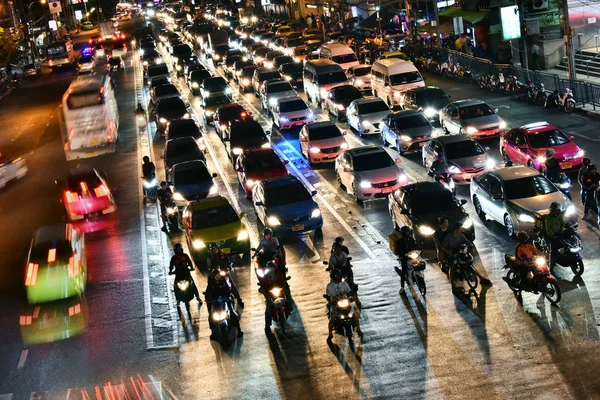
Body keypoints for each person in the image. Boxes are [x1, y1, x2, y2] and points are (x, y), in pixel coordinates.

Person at [442, 223, 492, 291]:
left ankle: (481, 278)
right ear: (456, 230)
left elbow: (467, 242)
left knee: (469, 264)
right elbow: (443, 247)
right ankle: (453, 285)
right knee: (453, 267)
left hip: (460, 252)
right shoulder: (448, 237)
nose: (461, 229)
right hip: (452, 255)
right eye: (460, 228)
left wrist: (471, 247)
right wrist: (448, 250)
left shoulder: (461, 235)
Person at [205, 269, 243, 340]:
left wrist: (228, 296)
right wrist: (207, 298)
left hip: (224, 300)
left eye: (218, 275)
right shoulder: (211, 283)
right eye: (216, 275)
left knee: (231, 312)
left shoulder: (223, 281)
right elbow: (208, 291)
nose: (217, 276)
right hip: (215, 301)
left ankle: (239, 329)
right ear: (213, 276)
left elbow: (228, 289)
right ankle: (213, 332)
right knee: (211, 315)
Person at [326, 269, 362, 342]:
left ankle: (358, 329)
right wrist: (330, 300)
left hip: (346, 302)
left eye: (338, 275)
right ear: (332, 276)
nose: (338, 277)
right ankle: (330, 334)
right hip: (335, 304)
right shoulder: (329, 286)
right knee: (332, 318)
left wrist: (352, 295)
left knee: (354, 315)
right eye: (336, 276)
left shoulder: (344, 284)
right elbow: (328, 296)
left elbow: (349, 292)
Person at [394, 226, 418, 295]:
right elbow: (398, 252)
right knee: (403, 271)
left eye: (408, 231)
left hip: (412, 257)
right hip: (404, 258)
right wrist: (403, 255)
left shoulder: (411, 239)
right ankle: (402, 287)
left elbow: (415, 246)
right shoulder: (400, 242)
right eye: (406, 232)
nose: (408, 233)